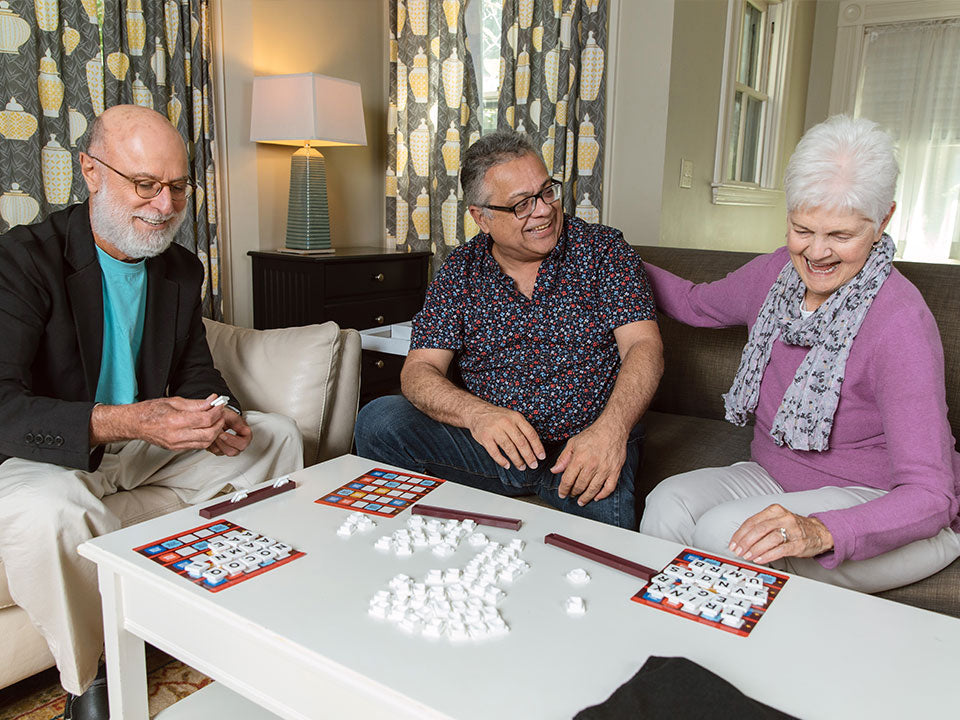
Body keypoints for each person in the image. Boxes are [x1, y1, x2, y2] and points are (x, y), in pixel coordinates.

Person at [0, 106, 303, 720]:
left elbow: (196, 371)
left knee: (275, 437)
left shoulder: (179, 268)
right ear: (90, 170)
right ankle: (93, 679)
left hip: (133, 455)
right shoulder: (22, 260)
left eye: (178, 187)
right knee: (53, 509)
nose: (165, 206)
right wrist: (132, 420)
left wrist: (223, 415)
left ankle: (233, 607)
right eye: (145, 185)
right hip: (38, 458)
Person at [639, 115, 960, 592]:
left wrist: (823, 530)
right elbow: (693, 303)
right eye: (803, 229)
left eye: (841, 236)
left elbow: (932, 494)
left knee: (724, 536)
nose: (817, 254)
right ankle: (666, 647)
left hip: (887, 506)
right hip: (779, 477)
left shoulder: (899, 323)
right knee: (668, 504)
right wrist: (609, 256)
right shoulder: (774, 275)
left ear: (884, 220)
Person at [355, 129, 663, 530]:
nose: (543, 211)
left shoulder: (604, 251)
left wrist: (611, 431)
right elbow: (418, 372)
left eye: (547, 191)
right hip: (488, 447)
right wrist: (477, 415)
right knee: (378, 419)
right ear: (481, 217)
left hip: (583, 446)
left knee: (599, 555)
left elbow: (644, 347)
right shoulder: (460, 271)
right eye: (521, 204)